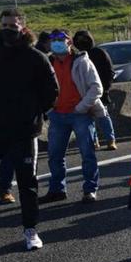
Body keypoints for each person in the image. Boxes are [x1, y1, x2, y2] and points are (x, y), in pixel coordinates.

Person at [0, 9, 58, 250]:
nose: (8, 29)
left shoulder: (35, 57)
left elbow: (51, 91)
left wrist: (35, 114)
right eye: (4, 25)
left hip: (24, 130)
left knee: (27, 183)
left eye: (13, 26)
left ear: (23, 28)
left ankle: (30, 230)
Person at [41, 30, 104, 204]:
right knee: (55, 155)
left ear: (69, 42)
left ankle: (90, 190)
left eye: (61, 39)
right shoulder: (48, 62)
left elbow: (96, 88)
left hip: (80, 115)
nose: (57, 43)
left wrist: (81, 107)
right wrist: (48, 109)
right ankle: (57, 189)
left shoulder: (81, 61)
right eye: (53, 40)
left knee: (87, 154)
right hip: (57, 115)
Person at [73, 29, 117, 150]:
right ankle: (94, 141)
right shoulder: (78, 57)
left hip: (99, 91)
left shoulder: (99, 53)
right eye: (79, 40)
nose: (82, 42)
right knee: (88, 118)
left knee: (103, 115)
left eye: (84, 39)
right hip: (83, 92)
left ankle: (110, 140)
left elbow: (110, 71)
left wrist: (106, 89)